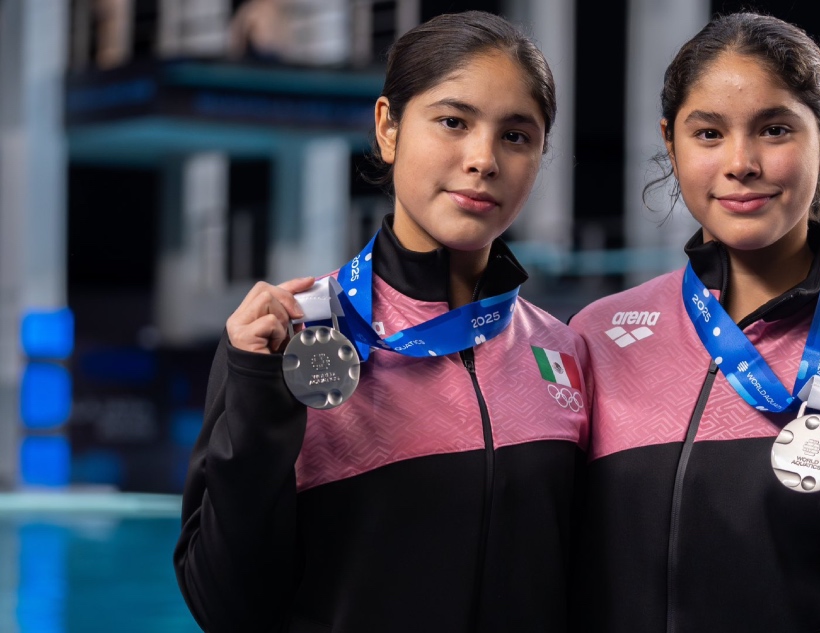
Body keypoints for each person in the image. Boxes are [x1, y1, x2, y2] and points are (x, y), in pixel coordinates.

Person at [569, 13, 820, 632]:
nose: (741, 163)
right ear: (671, 143)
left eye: (774, 129)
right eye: (708, 133)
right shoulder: (597, 337)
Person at [175, 12, 589, 632]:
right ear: (388, 128)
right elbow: (224, 609)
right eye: (453, 122)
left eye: (516, 136)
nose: (483, 159)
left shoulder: (562, 350)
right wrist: (259, 398)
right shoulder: (293, 336)